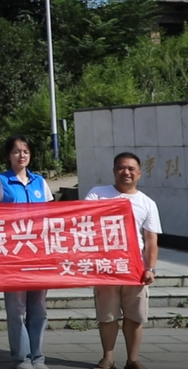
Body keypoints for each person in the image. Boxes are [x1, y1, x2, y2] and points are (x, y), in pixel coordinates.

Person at [85, 152, 162, 369]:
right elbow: (83, 221)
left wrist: (151, 268)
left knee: (135, 316)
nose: (125, 172)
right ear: (113, 171)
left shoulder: (147, 203)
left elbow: (150, 239)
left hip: (134, 268)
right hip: (105, 267)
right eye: (121, 167)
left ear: (139, 173)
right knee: (107, 315)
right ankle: (108, 358)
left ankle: (132, 359)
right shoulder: (97, 194)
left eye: (130, 168)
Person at [0, 136, 54, 369]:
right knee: (16, 309)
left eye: (25, 151)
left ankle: (38, 356)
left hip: (39, 253)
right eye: (16, 151)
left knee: (39, 307)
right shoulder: (0, 181)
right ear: (9, 155)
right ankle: (21, 357)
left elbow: (51, 217)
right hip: (13, 253)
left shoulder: (40, 182)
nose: (22, 155)